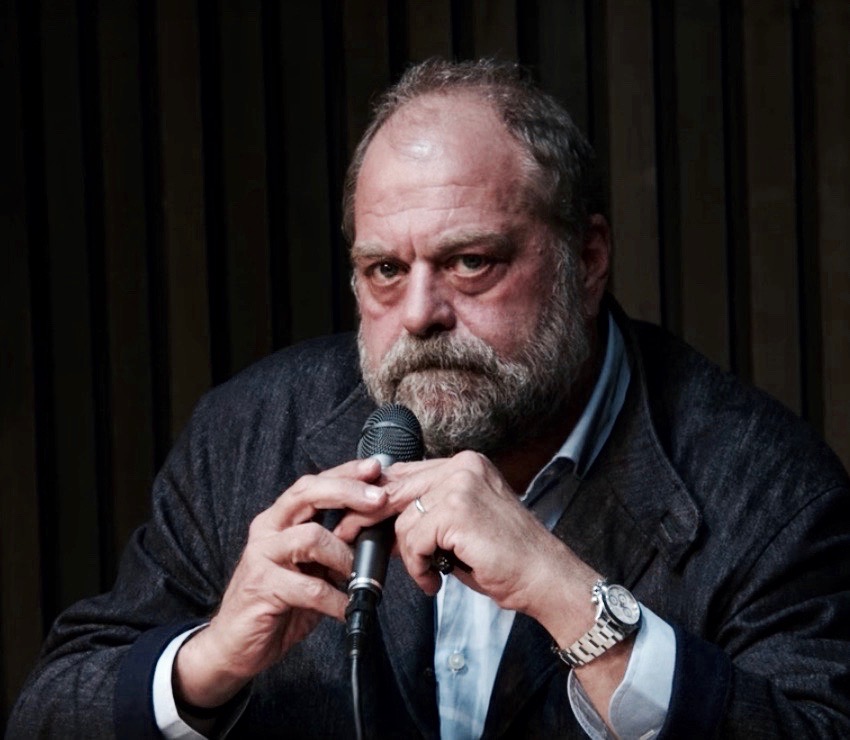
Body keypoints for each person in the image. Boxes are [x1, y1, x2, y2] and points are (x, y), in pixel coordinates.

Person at [9, 58, 850, 739]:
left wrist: (568, 596)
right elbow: (49, 712)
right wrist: (210, 660)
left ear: (588, 259)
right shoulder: (249, 434)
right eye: (385, 270)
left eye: (471, 262)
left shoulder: (768, 486)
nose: (419, 315)